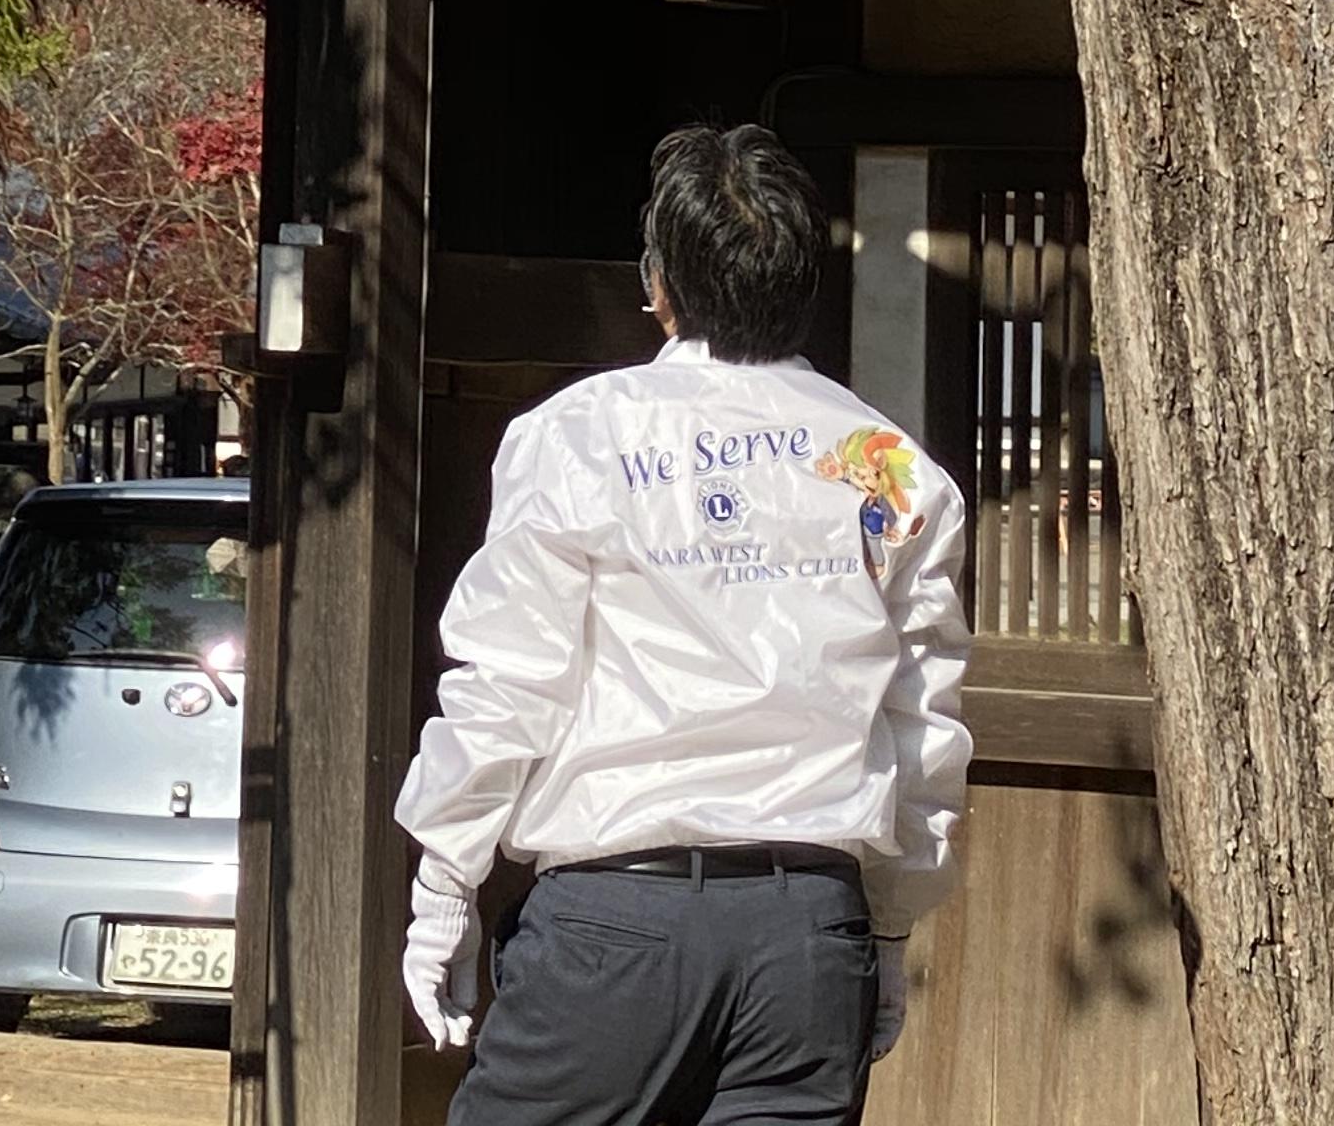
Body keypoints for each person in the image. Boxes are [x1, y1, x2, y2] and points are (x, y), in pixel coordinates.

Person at [396, 122, 970, 1126]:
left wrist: (447, 880)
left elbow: (507, 681)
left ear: (658, 284)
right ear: (803, 281)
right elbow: (924, 723)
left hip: (616, 924)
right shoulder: (893, 467)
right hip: (809, 936)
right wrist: (887, 936)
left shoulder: (578, 437)